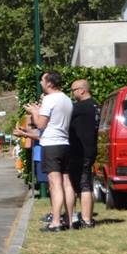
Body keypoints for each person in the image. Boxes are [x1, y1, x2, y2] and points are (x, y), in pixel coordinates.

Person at [24, 71, 73, 232]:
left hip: (51, 144)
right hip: (65, 143)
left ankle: (56, 222)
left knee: (55, 183)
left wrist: (34, 112)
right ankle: (69, 220)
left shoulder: (49, 99)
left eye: (42, 80)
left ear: (50, 83)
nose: (40, 83)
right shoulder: (66, 99)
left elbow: (40, 125)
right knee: (66, 182)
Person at [67, 79, 99, 229]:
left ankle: (86, 220)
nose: (72, 94)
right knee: (86, 182)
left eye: (73, 90)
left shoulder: (80, 107)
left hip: (80, 150)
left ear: (82, 90)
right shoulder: (95, 105)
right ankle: (87, 217)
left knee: (82, 184)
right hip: (90, 149)